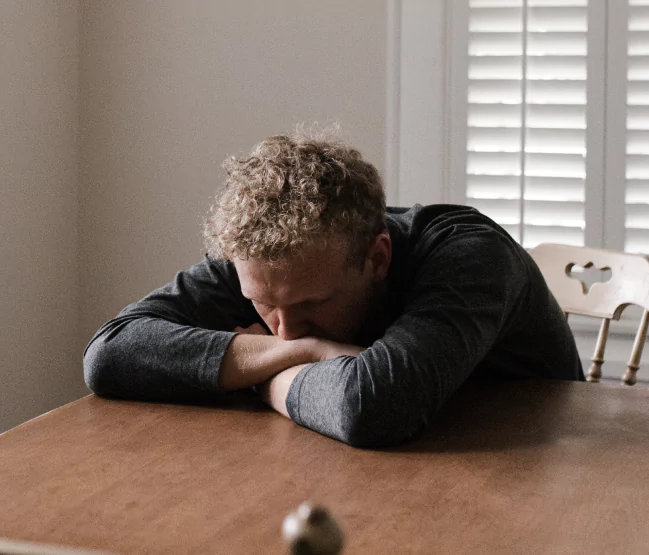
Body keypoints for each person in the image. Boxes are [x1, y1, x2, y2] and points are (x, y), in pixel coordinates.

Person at [83, 129, 584, 447]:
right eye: (263, 305)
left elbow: (371, 406)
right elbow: (109, 354)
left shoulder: (469, 254)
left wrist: (262, 377)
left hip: (548, 467)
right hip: (379, 464)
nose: (285, 330)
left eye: (312, 307)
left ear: (378, 257)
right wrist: (310, 352)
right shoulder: (266, 260)